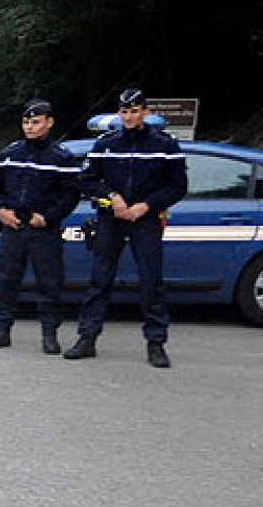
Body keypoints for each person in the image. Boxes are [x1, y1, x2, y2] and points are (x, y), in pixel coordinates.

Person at [65, 88, 187, 367]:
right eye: (124, 111)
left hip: (146, 219)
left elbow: (178, 186)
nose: (129, 117)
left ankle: (156, 344)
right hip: (111, 219)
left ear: (145, 112)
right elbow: (87, 180)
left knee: (151, 282)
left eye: (134, 111)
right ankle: (87, 338)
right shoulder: (106, 144)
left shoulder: (165, 145)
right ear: (118, 114)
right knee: (99, 280)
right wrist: (111, 197)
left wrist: (146, 205)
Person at [0, 98, 82, 354]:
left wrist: (48, 218)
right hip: (13, 226)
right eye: (26, 122)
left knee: (50, 284)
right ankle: (2, 331)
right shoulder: (10, 154)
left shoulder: (61, 158)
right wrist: (0, 211)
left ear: (49, 123)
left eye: (36, 122)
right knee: (5, 281)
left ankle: (50, 335)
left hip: (43, 229)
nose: (30, 127)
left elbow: (70, 196)